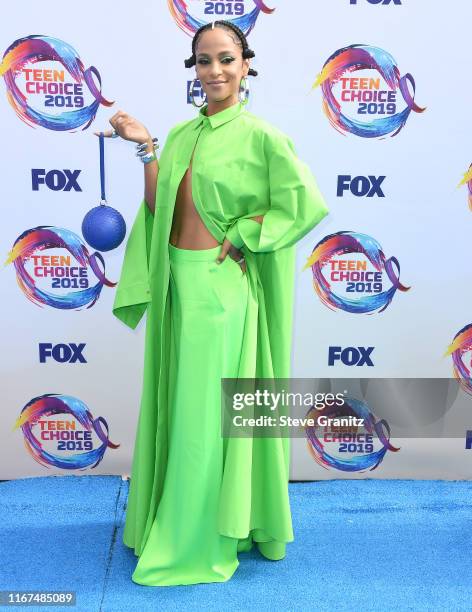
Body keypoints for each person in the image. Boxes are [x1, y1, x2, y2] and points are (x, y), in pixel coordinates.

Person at [99, 20, 329, 587]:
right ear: (194, 68)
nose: (217, 70)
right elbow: (160, 205)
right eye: (205, 60)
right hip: (178, 283)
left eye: (227, 58)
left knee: (205, 418)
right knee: (181, 410)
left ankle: (197, 537)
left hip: (222, 294)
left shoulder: (262, 137)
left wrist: (249, 232)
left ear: (246, 63)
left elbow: (305, 206)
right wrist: (147, 147)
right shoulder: (181, 134)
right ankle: (181, 518)